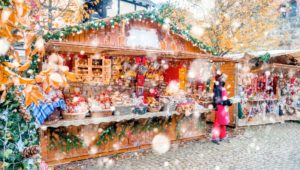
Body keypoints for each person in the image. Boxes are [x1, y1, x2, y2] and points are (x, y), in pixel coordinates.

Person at [211, 72, 232, 145]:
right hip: (220, 107)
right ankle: (214, 137)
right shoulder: (217, 87)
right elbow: (217, 100)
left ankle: (222, 136)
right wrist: (226, 102)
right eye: (223, 77)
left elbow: (223, 97)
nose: (225, 79)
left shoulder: (221, 86)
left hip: (224, 107)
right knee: (218, 122)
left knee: (223, 122)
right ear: (220, 78)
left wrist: (228, 101)